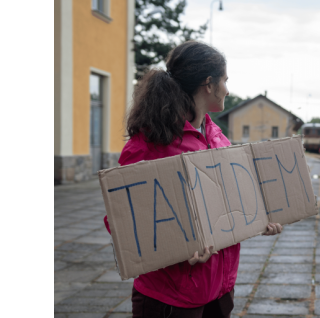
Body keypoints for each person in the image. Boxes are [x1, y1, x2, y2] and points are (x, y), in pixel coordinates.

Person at [102, 40, 283, 318]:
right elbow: (121, 218)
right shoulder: (151, 142)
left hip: (219, 290)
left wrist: (260, 219)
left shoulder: (217, 136)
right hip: (171, 297)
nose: (227, 89)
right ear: (208, 84)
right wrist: (175, 248)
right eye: (225, 80)